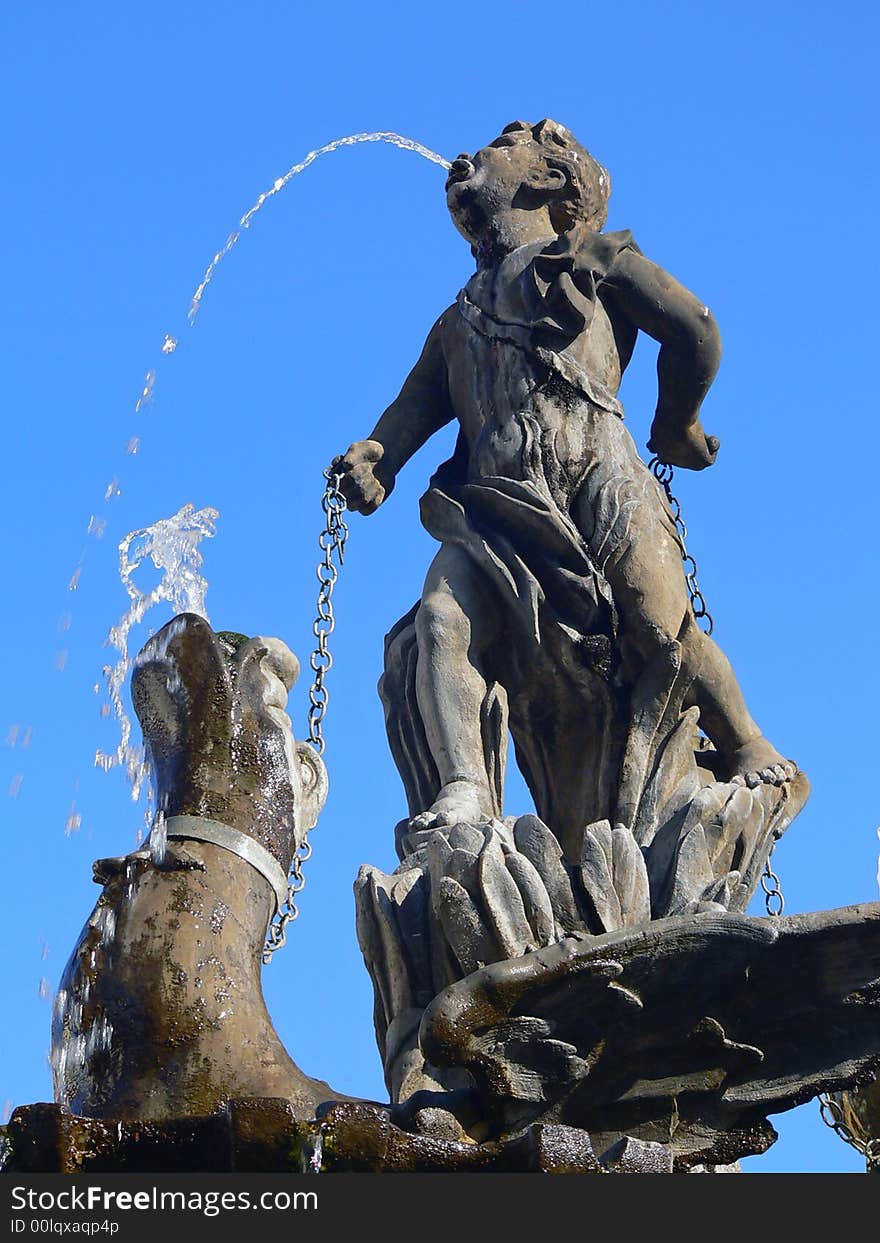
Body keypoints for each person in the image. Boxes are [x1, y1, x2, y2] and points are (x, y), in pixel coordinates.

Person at [333, 119, 793, 832]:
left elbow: (696, 329)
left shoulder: (599, 262)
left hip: (600, 486)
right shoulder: (457, 321)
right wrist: (379, 457)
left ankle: (742, 737)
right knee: (439, 619)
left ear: (547, 179)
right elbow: (415, 404)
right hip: (493, 513)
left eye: (498, 146)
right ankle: (465, 789)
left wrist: (677, 425)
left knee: (661, 629)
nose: (468, 154)